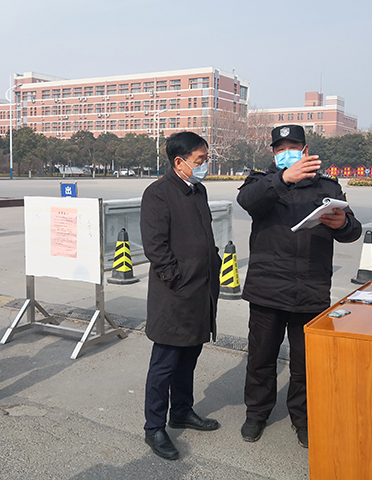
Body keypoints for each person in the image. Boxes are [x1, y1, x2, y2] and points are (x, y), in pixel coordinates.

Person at [237, 125, 362, 448]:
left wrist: (344, 223)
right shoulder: (261, 183)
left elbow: (352, 231)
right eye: (280, 149)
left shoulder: (327, 186)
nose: (286, 153)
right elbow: (247, 202)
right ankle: (256, 414)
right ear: (273, 153)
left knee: (305, 363)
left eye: (293, 147)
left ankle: (303, 418)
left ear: (306, 151)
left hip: (311, 288)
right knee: (261, 358)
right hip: (267, 288)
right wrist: (283, 179)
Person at [140, 131, 222, 460]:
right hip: (175, 294)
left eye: (205, 159)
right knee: (165, 364)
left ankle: (182, 411)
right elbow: (155, 248)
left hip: (201, 291)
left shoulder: (197, 190)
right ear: (179, 161)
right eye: (200, 160)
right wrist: (178, 279)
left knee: (189, 357)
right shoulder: (158, 194)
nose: (204, 165)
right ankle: (154, 427)